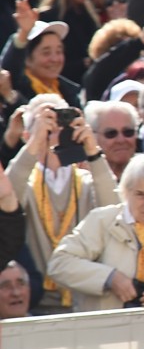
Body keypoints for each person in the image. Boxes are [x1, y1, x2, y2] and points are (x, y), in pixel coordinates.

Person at [46, 154, 144, 312]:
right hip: (105, 332)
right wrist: (110, 278)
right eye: (140, 194)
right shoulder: (102, 221)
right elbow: (59, 263)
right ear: (126, 193)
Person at [7, 94, 119, 313]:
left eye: (61, 123)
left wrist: (92, 152)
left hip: (89, 301)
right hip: (37, 303)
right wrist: (33, 146)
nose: (54, 132)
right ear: (28, 135)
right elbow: (6, 202)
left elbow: (115, 215)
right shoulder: (25, 184)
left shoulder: (88, 181)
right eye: (46, 124)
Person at [84, 100, 139, 181]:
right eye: (111, 133)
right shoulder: (83, 181)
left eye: (128, 132)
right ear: (93, 137)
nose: (121, 140)